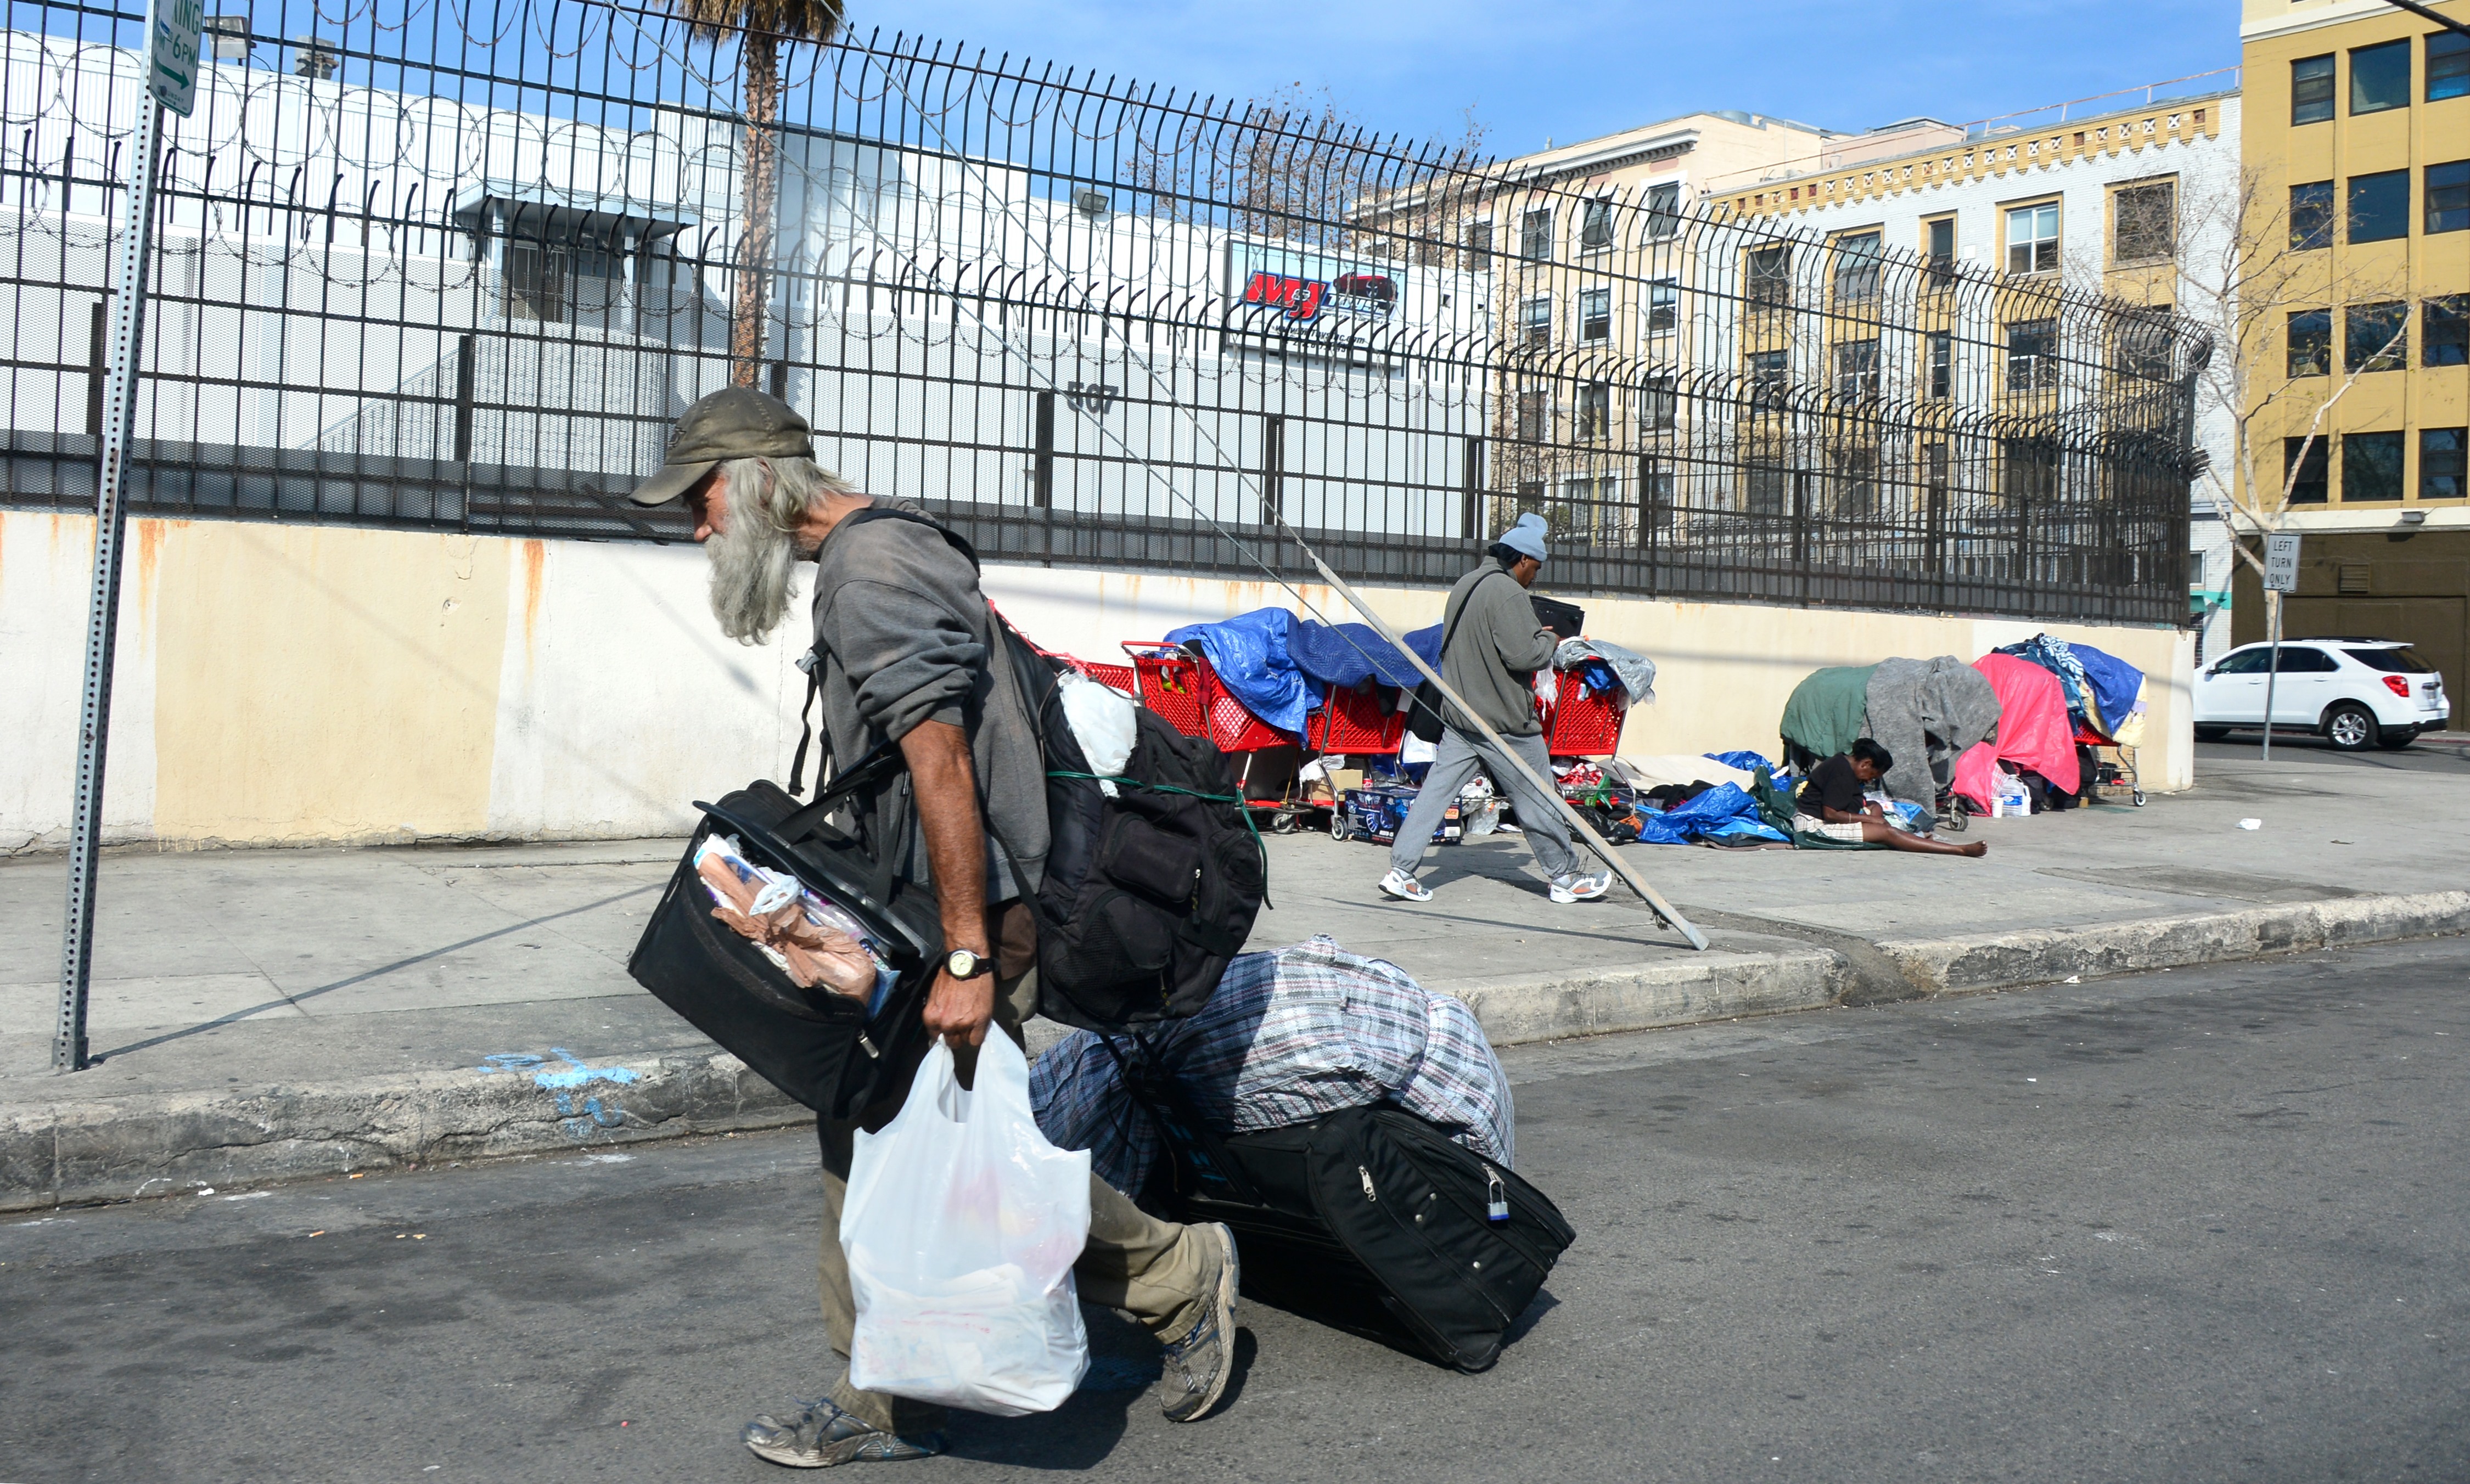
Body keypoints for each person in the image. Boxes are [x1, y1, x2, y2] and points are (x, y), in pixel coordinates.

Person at [631, 387, 1240, 1468]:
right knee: (910, 1146)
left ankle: (1164, 1280)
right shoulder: (887, 549)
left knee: (943, 1155)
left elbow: (941, 764)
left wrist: (962, 955)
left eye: (702, 497)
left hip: (962, 924)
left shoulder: (870, 576)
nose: (700, 526)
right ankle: (911, 1380)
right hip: (936, 917)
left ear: (754, 481)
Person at [1379, 513, 1612, 906]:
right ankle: (1565, 877)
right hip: (1505, 721)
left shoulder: (1465, 585)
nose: (1534, 578)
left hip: (1461, 715)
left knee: (1435, 794)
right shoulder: (1508, 593)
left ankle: (1400, 870)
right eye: (1534, 569)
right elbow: (1524, 655)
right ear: (1521, 559)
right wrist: (1551, 641)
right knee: (1539, 797)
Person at [1797, 738, 1987, 858]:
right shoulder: (1841, 772)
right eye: (1872, 775)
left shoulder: (1843, 763)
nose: (1870, 780)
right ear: (1866, 763)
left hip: (1831, 818)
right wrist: (1869, 819)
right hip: (1816, 826)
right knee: (1887, 832)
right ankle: (1959, 850)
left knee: (1877, 811)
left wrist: (1871, 814)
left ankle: (1909, 838)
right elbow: (1830, 814)